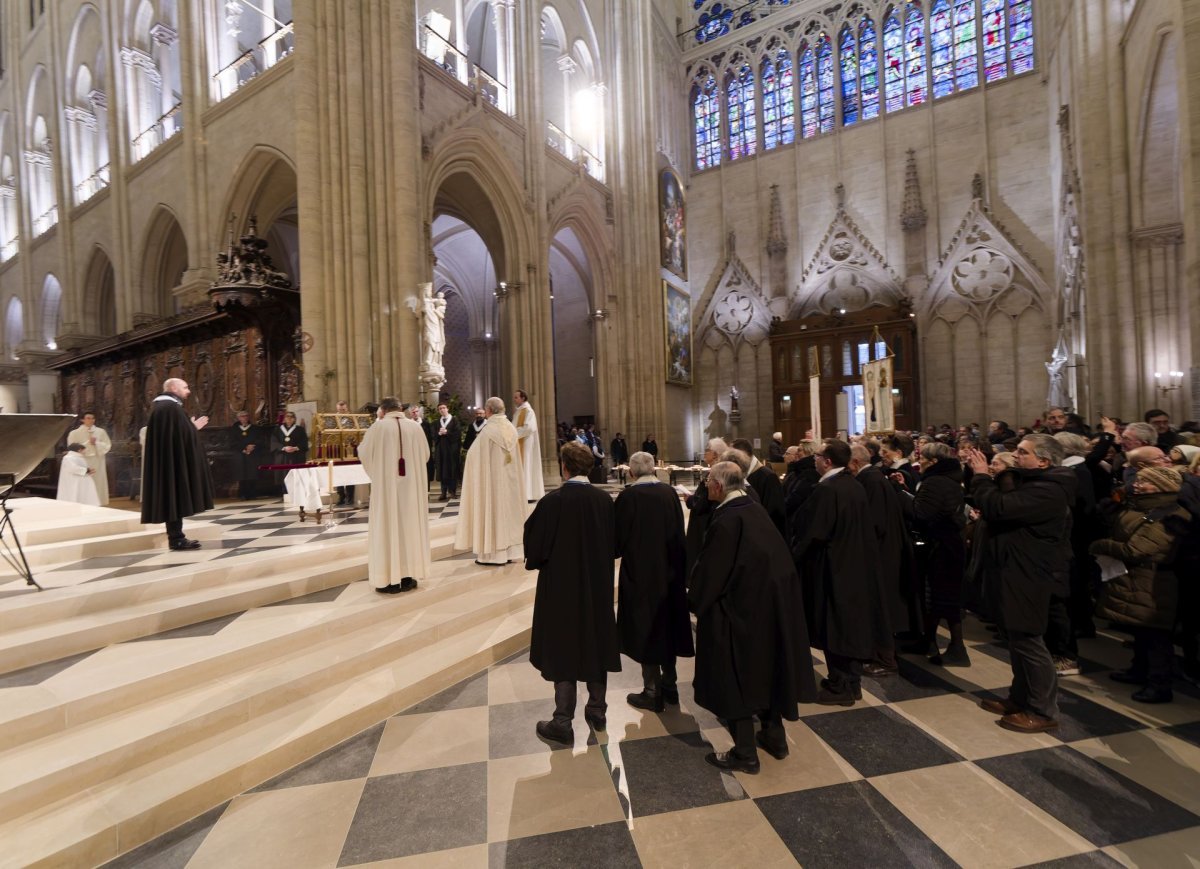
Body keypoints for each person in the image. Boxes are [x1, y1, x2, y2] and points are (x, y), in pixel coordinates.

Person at [690, 461, 817, 773]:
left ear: (718, 486)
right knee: (767, 671)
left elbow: (712, 574)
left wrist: (695, 599)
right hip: (769, 609)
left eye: (708, 482)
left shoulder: (727, 521)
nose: (706, 487)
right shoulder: (753, 508)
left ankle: (745, 752)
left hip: (737, 615)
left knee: (735, 678)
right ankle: (775, 736)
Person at [964, 434, 1076, 733]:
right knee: (1016, 640)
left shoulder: (1050, 491)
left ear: (1044, 461)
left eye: (1023, 453)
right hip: (1014, 570)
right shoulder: (1034, 482)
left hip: (1030, 574)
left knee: (1028, 641)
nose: (1016, 456)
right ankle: (1019, 697)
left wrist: (981, 476)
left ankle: (1042, 709)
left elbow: (998, 507)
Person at [524, 441, 620, 743]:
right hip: (596, 587)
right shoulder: (605, 501)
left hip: (561, 589)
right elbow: (617, 545)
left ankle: (562, 721)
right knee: (595, 639)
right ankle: (598, 709)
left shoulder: (552, 502)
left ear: (564, 467)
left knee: (563, 645)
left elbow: (535, 548)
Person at [792, 439, 889, 706]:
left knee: (835, 627)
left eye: (818, 456)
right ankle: (850, 682)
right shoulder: (852, 484)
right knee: (849, 626)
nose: (814, 459)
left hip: (834, 568)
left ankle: (841, 686)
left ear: (827, 461)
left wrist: (793, 559)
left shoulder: (829, 490)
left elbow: (813, 532)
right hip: (853, 566)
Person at [1091, 466, 1190, 703]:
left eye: (1144, 482)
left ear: (1160, 487)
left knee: (1156, 635)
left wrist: (1102, 545)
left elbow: (1137, 549)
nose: (1136, 484)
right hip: (1138, 579)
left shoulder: (1169, 514)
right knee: (1141, 631)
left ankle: (1159, 685)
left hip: (1157, 582)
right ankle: (1139, 671)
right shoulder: (1142, 506)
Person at [616, 451, 694, 711]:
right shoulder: (668, 493)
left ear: (632, 472)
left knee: (645, 628)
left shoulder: (629, 496)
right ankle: (669, 685)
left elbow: (618, 540)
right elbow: (679, 534)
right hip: (670, 573)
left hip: (640, 575)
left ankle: (652, 690)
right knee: (667, 624)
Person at [896, 441, 969, 667]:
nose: (920, 462)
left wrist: (899, 495)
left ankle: (957, 649)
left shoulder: (935, 481)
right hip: (948, 544)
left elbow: (922, 514)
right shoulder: (948, 479)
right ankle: (928, 641)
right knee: (935, 596)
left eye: (923, 459)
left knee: (942, 596)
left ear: (934, 461)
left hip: (941, 547)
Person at [357, 397, 430, 594]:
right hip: (411, 491)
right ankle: (408, 576)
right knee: (409, 528)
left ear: (383, 410)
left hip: (388, 491)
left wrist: (380, 472)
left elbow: (363, 453)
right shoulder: (415, 428)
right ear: (400, 409)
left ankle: (388, 579)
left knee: (388, 528)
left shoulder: (377, 428)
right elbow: (425, 455)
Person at [848, 444, 910, 677]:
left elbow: (874, 522)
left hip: (882, 555)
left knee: (881, 606)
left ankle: (885, 659)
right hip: (884, 552)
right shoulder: (873, 477)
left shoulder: (871, 481)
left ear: (855, 463)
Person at [141, 378, 214, 550]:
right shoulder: (170, 408)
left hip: (168, 462)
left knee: (172, 499)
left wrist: (190, 427)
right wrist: (193, 427)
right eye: (185, 387)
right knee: (173, 498)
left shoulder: (164, 407)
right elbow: (182, 434)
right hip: (172, 464)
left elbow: (174, 434)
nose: (188, 391)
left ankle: (177, 537)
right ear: (173, 388)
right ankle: (176, 538)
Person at [455, 396, 526, 565]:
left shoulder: (488, 432)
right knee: (509, 512)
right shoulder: (511, 428)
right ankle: (511, 552)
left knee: (494, 510)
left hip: (493, 485)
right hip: (510, 484)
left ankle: (493, 555)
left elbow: (472, 456)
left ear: (488, 411)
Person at [684, 437, 728, 574]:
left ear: (715, 454)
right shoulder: (717, 469)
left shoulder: (717, 471)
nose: (705, 453)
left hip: (705, 518)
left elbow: (704, 501)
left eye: (707, 451)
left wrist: (690, 500)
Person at [731, 438, 786, 538]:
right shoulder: (742, 473)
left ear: (744, 455)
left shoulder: (768, 477)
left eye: (734, 458)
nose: (731, 462)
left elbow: (775, 513)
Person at [66, 412, 112, 505]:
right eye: (88, 418)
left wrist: (97, 443)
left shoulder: (101, 432)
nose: (91, 420)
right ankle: (85, 502)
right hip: (82, 460)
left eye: (93, 418)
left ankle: (99, 502)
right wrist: (87, 443)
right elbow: (71, 447)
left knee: (98, 481)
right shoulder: (74, 433)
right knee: (85, 481)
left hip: (97, 460)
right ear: (82, 420)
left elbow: (107, 445)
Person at [513, 389, 544, 501]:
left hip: (526, 443)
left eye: (516, 397)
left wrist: (513, 433)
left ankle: (528, 494)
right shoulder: (519, 411)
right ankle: (523, 494)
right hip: (519, 441)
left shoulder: (528, 411)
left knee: (527, 466)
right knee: (522, 467)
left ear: (523, 398)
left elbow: (529, 427)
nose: (514, 399)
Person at [228, 410, 265, 500]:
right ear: (238, 418)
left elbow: (261, 440)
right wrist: (244, 448)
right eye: (242, 416)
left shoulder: (255, 428)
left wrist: (252, 446)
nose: (244, 418)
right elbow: (232, 442)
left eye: (246, 416)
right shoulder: (234, 429)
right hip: (240, 455)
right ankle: (242, 494)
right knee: (241, 474)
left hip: (253, 454)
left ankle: (252, 494)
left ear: (248, 417)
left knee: (252, 474)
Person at [270, 410, 308, 494]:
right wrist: (283, 447)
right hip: (282, 456)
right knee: (283, 474)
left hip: (296, 456)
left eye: (291, 417)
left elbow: (304, 442)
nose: (289, 419)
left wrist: (296, 448)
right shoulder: (277, 430)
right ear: (284, 419)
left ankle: (297, 492)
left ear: (294, 419)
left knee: (296, 474)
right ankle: (285, 492)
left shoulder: (300, 429)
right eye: (287, 417)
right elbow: (274, 442)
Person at [433, 402, 461, 501]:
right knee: (442, 470)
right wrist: (439, 433)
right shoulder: (436, 422)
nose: (442, 410)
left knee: (452, 470)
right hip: (441, 450)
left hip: (452, 450)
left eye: (444, 408)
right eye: (440, 408)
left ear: (447, 409)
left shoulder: (454, 420)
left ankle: (452, 492)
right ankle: (443, 492)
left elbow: (458, 434)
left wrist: (447, 432)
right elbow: (433, 436)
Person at [335, 400, 356, 506]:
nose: (341, 411)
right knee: (337, 473)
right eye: (339, 409)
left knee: (349, 472)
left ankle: (350, 497)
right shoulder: (334, 418)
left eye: (343, 409)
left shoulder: (352, 418)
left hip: (349, 448)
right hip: (337, 448)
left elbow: (354, 430)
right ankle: (341, 495)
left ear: (346, 408)